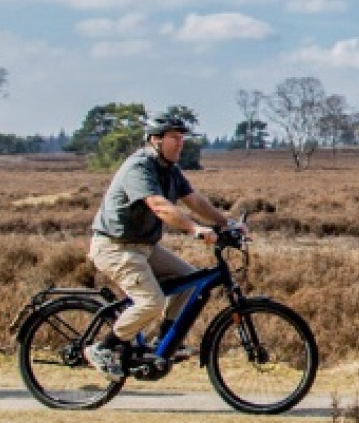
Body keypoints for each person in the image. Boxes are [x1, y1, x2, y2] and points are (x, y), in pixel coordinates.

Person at [84, 117, 247, 379]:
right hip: (115, 247)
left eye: (182, 138)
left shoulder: (170, 169)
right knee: (151, 302)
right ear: (155, 140)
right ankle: (104, 348)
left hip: (144, 247)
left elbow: (194, 200)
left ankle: (166, 342)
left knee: (191, 281)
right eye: (174, 138)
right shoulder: (140, 166)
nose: (180, 143)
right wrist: (194, 229)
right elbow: (158, 205)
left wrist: (225, 222)